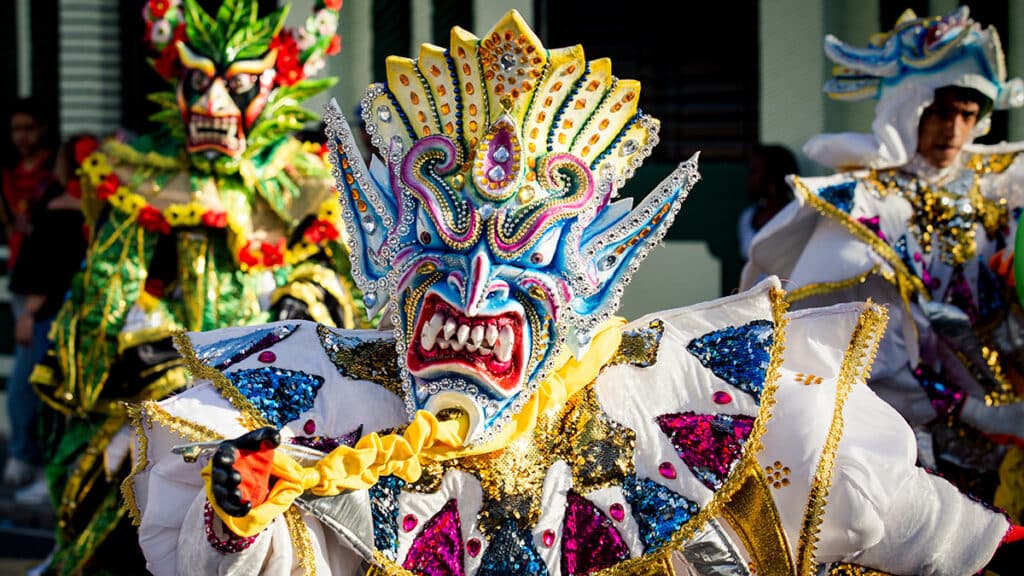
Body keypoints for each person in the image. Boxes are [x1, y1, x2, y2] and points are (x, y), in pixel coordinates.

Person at [125, 10, 1023, 575]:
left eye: (516, 263)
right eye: (443, 257)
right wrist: (238, 517)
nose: (475, 285)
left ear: (580, 290)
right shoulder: (335, 412)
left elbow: (903, 518)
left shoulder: (677, 397)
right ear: (388, 274)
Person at [25, 1, 363, 574]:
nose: (213, 105)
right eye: (199, 82)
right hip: (167, 389)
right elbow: (111, 296)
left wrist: (296, 310)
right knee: (133, 495)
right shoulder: (141, 178)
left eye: (235, 85)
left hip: (282, 388)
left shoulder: (305, 182)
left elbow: (332, 278)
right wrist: (164, 351)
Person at [740, 5, 1024, 523]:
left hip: (1010, 433)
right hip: (905, 436)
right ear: (908, 108)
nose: (953, 130)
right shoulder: (865, 203)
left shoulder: (1004, 187)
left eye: (967, 114)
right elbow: (838, 340)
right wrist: (965, 410)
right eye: (940, 112)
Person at [5, 133, 93, 506]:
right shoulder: (88, 205)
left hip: (51, 314)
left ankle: (39, 467)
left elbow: (50, 266)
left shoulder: (64, 207)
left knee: (36, 393)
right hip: (67, 313)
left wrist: (29, 312)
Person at [1, 97, 56, 488]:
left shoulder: (53, 178)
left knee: (30, 380)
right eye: (16, 130)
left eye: (29, 129)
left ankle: (30, 460)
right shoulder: (9, 174)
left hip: (45, 290)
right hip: (23, 280)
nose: (22, 137)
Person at [737, 143, 798, 262]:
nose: (749, 178)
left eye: (754, 171)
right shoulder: (747, 217)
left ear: (772, 176)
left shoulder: (799, 215)